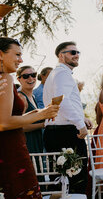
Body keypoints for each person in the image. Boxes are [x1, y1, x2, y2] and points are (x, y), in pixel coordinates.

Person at [0, 37, 59, 198]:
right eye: (17, 54)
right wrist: (41, 115)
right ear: (0, 54)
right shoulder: (5, 78)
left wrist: (36, 113)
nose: (21, 59)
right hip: (11, 148)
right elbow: (4, 123)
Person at [43, 41, 92, 194]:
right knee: (76, 179)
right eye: (72, 52)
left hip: (57, 131)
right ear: (61, 55)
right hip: (65, 133)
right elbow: (62, 101)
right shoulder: (62, 73)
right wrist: (80, 125)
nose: (76, 55)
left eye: (78, 52)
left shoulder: (57, 74)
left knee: (60, 182)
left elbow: (63, 102)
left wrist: (81, 118)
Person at [17, 66, 45, 154]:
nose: (31, 78)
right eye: (26, 76)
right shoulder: (21, 98)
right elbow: (19, 127)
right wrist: (43, 125)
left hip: (37, 143)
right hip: (27, 145)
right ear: (19, 79)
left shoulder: (33, 97)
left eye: (33, 75)